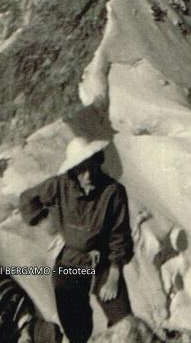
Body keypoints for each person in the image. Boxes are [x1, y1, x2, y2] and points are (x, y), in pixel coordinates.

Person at [18, 140, 133, 343]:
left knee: (123, 321)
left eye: (91, 167)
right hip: (71, 261)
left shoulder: (112, 192)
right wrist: (44, 222)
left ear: (99, 162)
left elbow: (119, 235)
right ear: (73, 170)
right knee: (74, 325)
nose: (87, 176)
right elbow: (27, 199)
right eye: (81, 170)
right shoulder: (59, 185)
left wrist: (114, 274)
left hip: (103, 263)